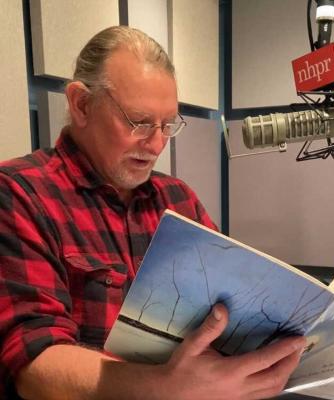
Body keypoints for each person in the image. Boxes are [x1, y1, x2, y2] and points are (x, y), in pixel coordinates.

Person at [0, 26, 305, 399]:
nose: (157, 144)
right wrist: (167, 388)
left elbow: (230, 310)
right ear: (81, 104)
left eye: (167, 125)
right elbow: (35, 366)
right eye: (139, 122)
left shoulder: (178, 199)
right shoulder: (20, 193)